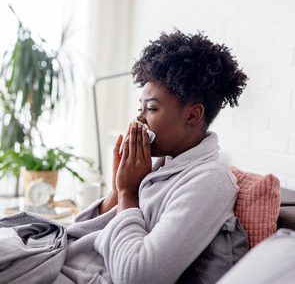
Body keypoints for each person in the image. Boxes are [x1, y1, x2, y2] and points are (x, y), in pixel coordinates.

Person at [0, 30, 249, 284]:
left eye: (151, 108)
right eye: (140, 108)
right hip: (59, 261)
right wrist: (117, 191)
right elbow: (78, 233)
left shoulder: (209, 181)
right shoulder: (161, 167)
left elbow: (137, 276)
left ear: (193, 115)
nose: (139, 119)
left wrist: (129, 193)